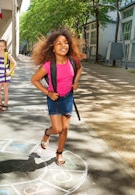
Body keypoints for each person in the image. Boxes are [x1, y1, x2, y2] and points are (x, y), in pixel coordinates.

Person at [30, 28, 83, 165]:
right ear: (52, 48)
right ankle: (47, 133)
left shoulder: (73, 61)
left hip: (68, 98)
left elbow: (80, 69)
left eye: (65, 42)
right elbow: (34, 80)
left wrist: (76, 82)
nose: (63, 46)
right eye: (58, 43)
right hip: (54, 99)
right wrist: (48, 92)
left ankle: (59, 153)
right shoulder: (48, 66)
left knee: (65, 129)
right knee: (57, 129)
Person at [0, 39, 17, 111]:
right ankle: (0, 103)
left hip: (5, 76)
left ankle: (5, 104)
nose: (1, 47)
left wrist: (9, 72)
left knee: (5, 90)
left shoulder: (7, 55)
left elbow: (15, 63)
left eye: (2, 46)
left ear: (5, 46)